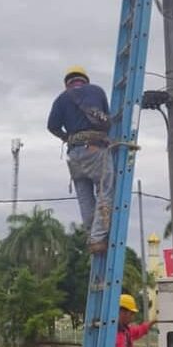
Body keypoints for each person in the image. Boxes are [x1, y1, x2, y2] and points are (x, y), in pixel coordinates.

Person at [48, 65, 114, 254]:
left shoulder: (61, 99)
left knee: (85, 198)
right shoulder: (97, 91)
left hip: (75, 154)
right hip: (94, 148)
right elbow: (106, 121)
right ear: (85, 80)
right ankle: (98, 238)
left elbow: (52, 126)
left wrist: (67, 138)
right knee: (105, 191)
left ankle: (91, 236)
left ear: (67, 83)